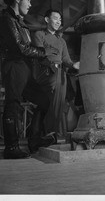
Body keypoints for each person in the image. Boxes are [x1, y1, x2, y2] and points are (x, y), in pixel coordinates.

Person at [0, 0, 58, 159]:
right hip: (14, 66)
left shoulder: (19, 21)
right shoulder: (6, 19)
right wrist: (43, 52)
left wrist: (43, 58)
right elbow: (20, 48)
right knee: (13, 104)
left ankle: (34, 140)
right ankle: (11, 147)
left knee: (44, 101)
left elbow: (26, 48)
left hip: (24, 68)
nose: (30, 4)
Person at [32, 9, 80, 148]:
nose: (59, 22)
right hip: (46, 72)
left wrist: (74, 65)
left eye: (60, 19)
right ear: (47, 20)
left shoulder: (61, 41)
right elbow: (39, 53)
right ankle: (44, 134)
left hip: (60, 73)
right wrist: (51, 56)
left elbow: (66, 60)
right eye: (55, 18)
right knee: (48, 105)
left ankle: (52, 135)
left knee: (58, 106)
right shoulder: (39, 35)